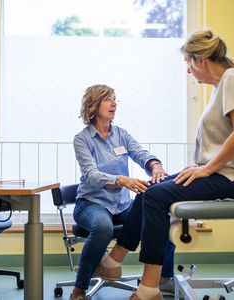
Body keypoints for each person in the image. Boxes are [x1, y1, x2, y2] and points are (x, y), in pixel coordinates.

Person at [95, 30, 234, 300]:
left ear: (200, 60)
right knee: (150, 188)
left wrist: (207, 168)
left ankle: (148, 286)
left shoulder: (232, 78)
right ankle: (115, 260)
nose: (188, 72)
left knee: (154, 196)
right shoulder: (222, 86)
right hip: (226, 172)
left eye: (188, 63)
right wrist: (199, 166)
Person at [70, 84, 177, 300]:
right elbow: (91, 174)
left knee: (161, 219)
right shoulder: (82, 139)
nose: (114, 103)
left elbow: (140, 153)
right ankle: (79, 288)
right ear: (93, 105)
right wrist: (122, 180)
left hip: (121, 205)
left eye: (115, 99)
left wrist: (155, 165)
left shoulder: (121, 134)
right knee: (103, 227)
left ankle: (164, 278)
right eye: (108, 99)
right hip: (91, 204)